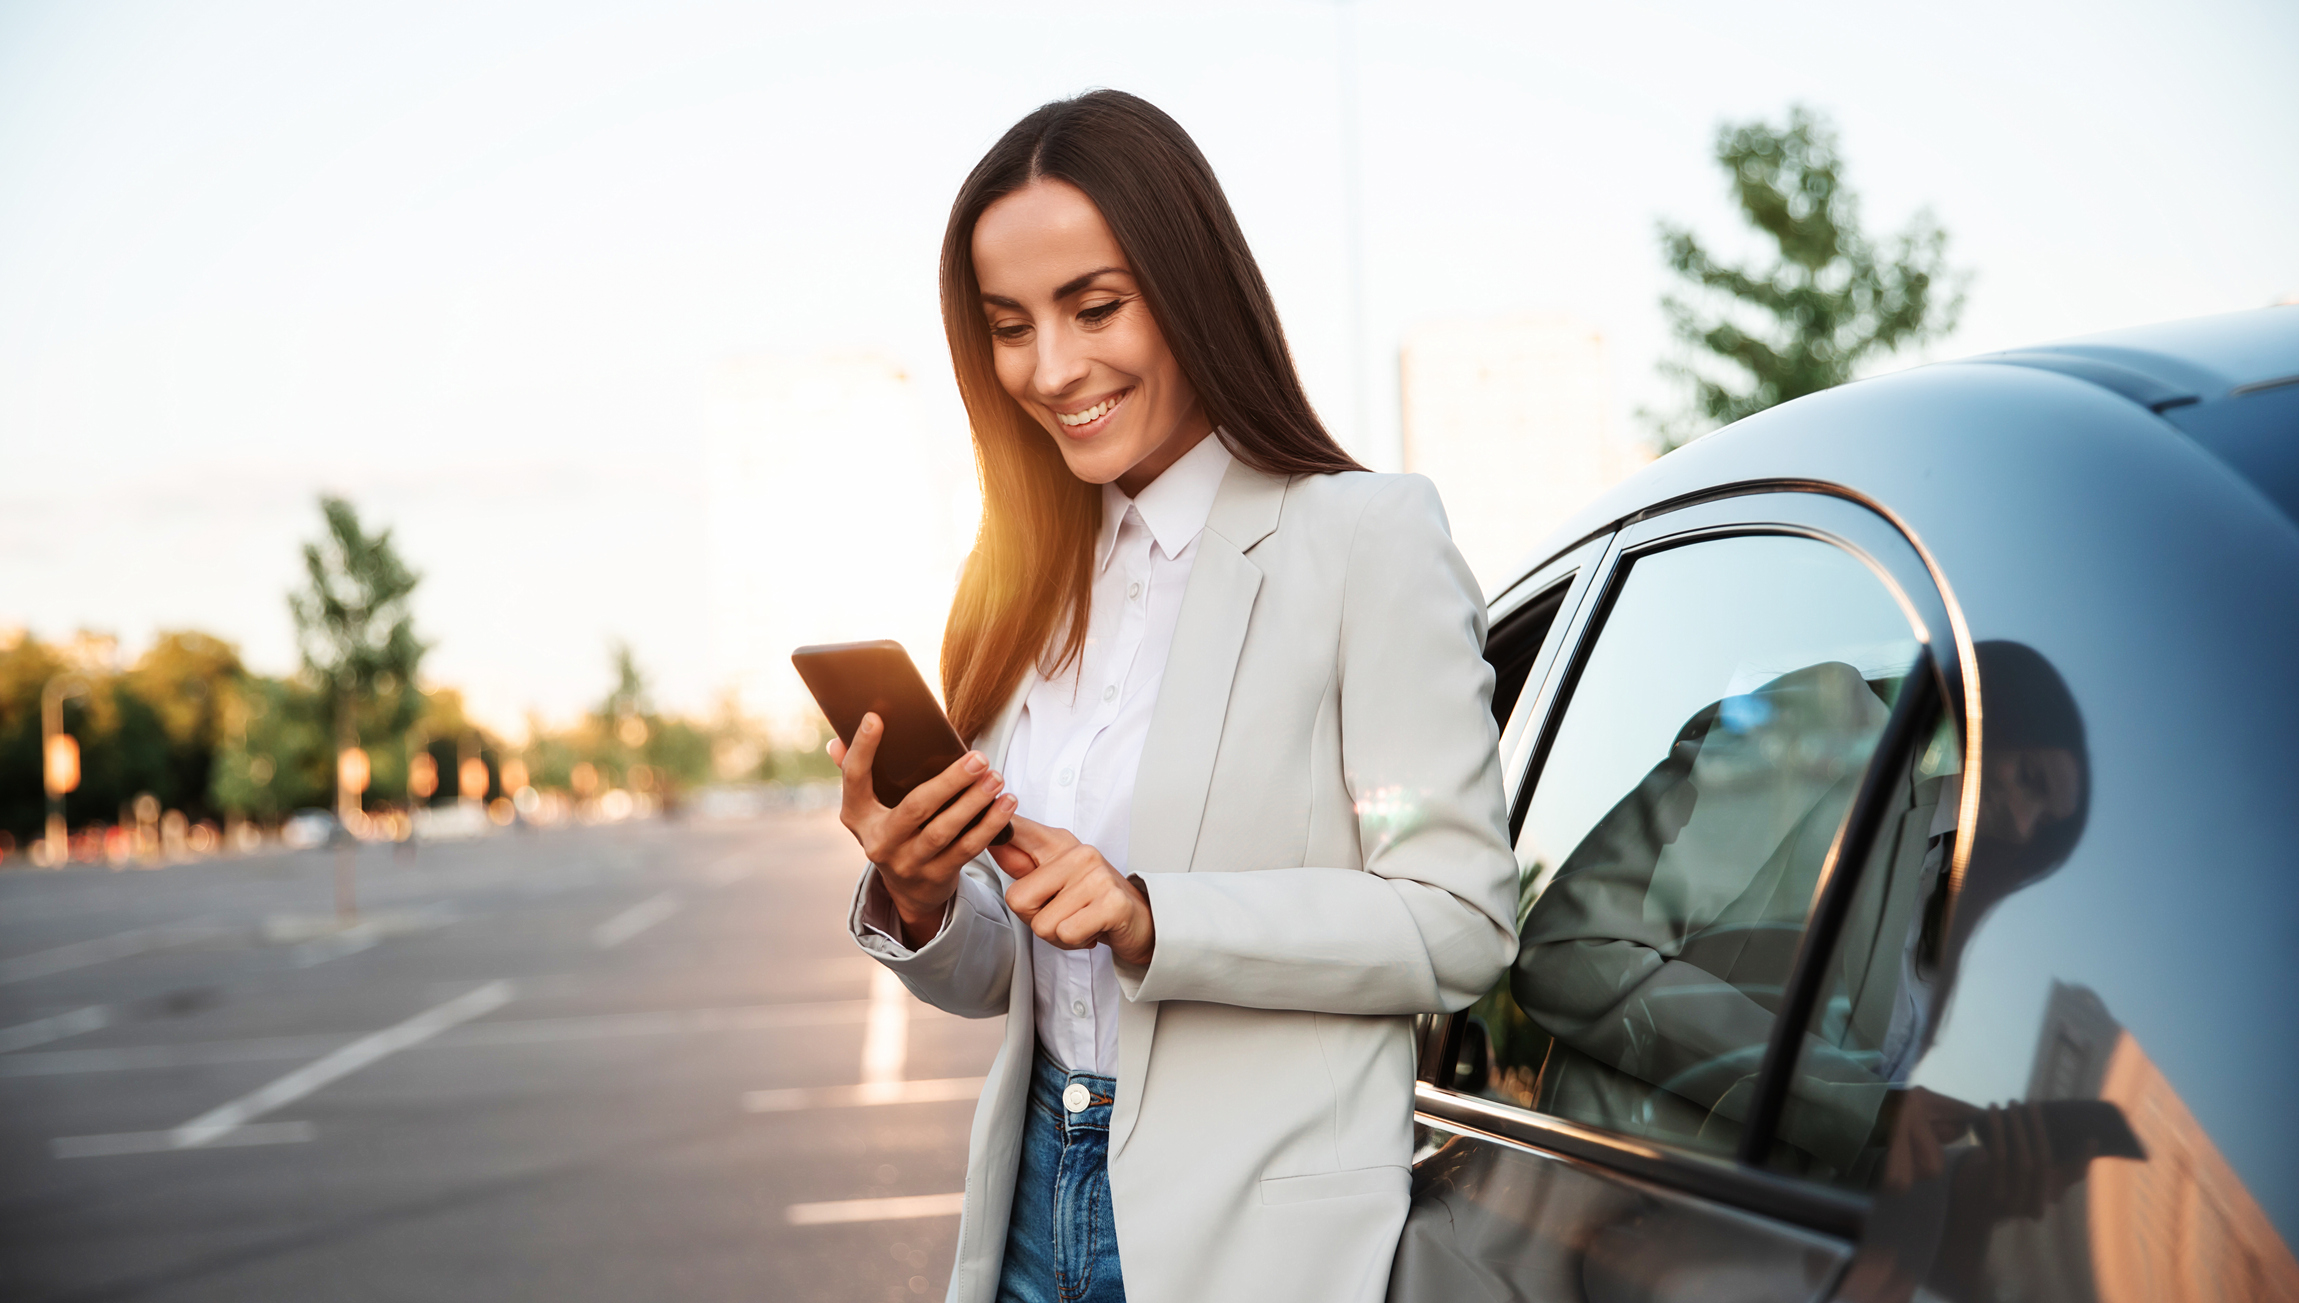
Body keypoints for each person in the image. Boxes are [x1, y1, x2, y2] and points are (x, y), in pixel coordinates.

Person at [826, 90, 1517, 1303]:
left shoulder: (1362, 543)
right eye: (1009, 325)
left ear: (1190, 286)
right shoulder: (1016, 590)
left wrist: (1155, 916)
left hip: (1257, 1237)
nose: (1052, 368)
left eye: (1095, 307)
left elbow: (1452, 918)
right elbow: (1012, 975)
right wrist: (924, 895)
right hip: (1035, 1202)